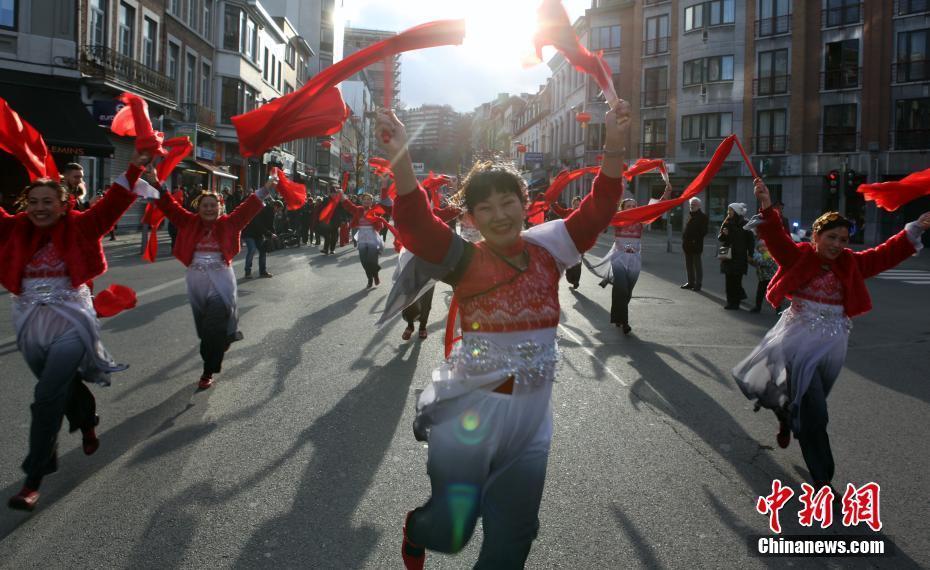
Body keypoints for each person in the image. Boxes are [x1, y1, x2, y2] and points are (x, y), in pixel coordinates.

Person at [378, 100, 630, 568]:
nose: (498, 215)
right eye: (485, 208)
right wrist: (400, 155)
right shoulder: (465, 260)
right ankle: (419, 527)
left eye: (507, 202)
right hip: (470, 416)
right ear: (471, 218)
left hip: (530, 424)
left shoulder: (551, 250)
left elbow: (599, 208)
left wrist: (614, 142)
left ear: (524, 204)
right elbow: (415, 224)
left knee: (512, 540)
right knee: (451, 532)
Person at [733, 179, 929, 492]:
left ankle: (787, 416)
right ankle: (823, 479)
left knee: (812, 402)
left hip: (833, 344)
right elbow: (778, 240)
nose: (837, 244)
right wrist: (767, 206)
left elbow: (884, 255)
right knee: (816, 412)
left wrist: (915, 228)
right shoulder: (799, 256)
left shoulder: (851, 263)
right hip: (797, 339)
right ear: (816, 236)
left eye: (843, 239)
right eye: (831, 237)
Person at [2, 151, 154, 511]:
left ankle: (33, 479)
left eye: (48, 202)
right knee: (60, 387)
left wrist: (135, 167)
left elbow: (112, 205)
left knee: (45, 396)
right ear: (25, 204)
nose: (40, 209)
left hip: (71, 319)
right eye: (33, 202)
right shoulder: (13, 228)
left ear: (63, 203)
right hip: (29, 321)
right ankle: (86, 419)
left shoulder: (81, 225)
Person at [154, 179, 271, 390]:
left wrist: (266, 188)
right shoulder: (188, 222)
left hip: (221, 280)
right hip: (196, 281)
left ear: (220, 207)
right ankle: (222, 340)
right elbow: (169, 207)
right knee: (205, 329)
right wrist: (156, 184)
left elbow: (248, 208)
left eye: (213, 205)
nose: (209, 209)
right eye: (205, 205)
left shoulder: (229, 223)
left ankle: (208, 370)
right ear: (198, 208)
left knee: (212, 329)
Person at [585, 187, 671, 334]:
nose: (631, 208)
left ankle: (618, 316)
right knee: (622, 289)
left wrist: (666, 194)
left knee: (627, 292)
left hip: (635, 260)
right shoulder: (618, 219)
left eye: (633, 206)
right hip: (619, 258)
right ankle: (625, 322)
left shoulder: (641, 220)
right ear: (623, 208)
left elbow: (655, 209)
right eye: (628, 206)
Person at [339, 191, 387, 288]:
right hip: (362, 237)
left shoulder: (375, 211)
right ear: (362, 201)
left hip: (372, 237)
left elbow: (380, 224)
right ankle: (370, 278)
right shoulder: (359, 210)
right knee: (364, 260)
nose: (366, 201)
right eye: (364, 199)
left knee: (371, 259)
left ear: (371, 201)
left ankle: (375, 275)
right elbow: (349, 206)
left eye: (368, 200)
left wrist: (378, 220)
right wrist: (342, 195)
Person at [718, 203, 754, 310]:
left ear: (736, 211)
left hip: (740, 255)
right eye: (728, 210)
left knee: (737, 280)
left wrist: (750, 254)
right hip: (727, 254)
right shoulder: (727, 222)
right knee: (728, 280)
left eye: (730, 210)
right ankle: (730, 302)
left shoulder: (745, 223)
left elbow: (751, 241)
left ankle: (736, 303)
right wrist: (723, 234)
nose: (728, 212)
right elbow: (720, 238)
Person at [551, 197, 583, 289]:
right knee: (569, 262)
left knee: (578, 262)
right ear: (572, 204)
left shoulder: (584, 214)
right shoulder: (568, 212)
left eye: (578, 204)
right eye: (575, 204)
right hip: (568, 242)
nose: (577, 206)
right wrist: (553, 203)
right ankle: (571, 278)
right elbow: (559, 211)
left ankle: (576, 281)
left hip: (579, 242)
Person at [243, 193, 275, 278]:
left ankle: (263, 272)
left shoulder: (266, 210)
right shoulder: (252, 209)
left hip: (258, 234)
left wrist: (272, 233)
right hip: (248, 233)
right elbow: (258, 225)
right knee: (252, 249)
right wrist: (269, 233)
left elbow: (268, 224)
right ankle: (247, 272)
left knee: (263, 251)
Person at [681, 197, 708, 291]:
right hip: (687, 245)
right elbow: (686, 229)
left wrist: (694, 239)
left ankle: (698, 284)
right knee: (689, 265)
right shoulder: (690, 215)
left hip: (696, 245)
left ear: (699, 206)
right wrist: (684, 239)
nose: (692, 206)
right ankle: (690, 282)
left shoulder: (703, 217)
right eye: (691, 204)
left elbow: (703, 232)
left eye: (694, 204)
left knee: (697, 265)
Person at [748, 239, 778, 313]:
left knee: (773, 294)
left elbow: (765, 263)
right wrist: (752, 261)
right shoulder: (759, 256)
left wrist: (753, 260)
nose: (762, 248)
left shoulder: (769, 255)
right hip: (762, 278)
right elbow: (757, 265)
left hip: (770, 278)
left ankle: (778, 308)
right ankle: (758, 307)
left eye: (765, 246)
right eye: (760, 247)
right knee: (760, 293)